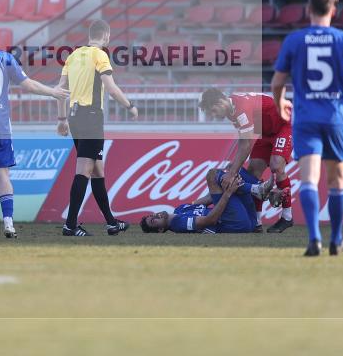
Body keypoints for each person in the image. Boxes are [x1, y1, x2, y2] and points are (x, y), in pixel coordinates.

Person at [271, 0, 343, 257]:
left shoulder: (294, 40)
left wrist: (279, 104)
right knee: (337, 181)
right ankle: (336, 239)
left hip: (306, 119)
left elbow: (278, 82)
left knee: (309, 180)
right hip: (335, 118)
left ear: (308, 9)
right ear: (333, 11)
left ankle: (314, 239)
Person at [0, 16, 69, 240]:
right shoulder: (5, 58)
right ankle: (8, 224)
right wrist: (52, 92)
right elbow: (28, 84)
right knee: (3, 175)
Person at [56, 19, 138, 237]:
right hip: (91, 117)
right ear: (107, 36)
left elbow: (60, 90)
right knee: (84, 169)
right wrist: (130, 105)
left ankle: (111, 222)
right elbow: (111, 88)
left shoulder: (72, 56)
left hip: (74, 118)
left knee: (96, 170)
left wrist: (62, 118)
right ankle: (70, 225)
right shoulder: (100, 55)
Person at [198, 89, 295, 233]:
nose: (213, 116)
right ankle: (256, 221)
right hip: (264, 131)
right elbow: (244, 140)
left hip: (284, 124)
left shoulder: (241, 107)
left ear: (220, 102)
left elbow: (246, 144)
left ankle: (287, 217)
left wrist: (232, 172)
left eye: (213, 111)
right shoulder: (232, 110)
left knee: (277, 166)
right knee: (252, 172)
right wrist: (233, 168)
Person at [139, 169, 278, 234]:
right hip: (235, 223)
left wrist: (223, 184)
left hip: (247, 220)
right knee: (212, 175)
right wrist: (227, 192)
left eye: (153, 215)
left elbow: (209, 198)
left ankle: (266, 193)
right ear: (161, 229)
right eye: (153, 221)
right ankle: (260, 191)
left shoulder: (180, 209)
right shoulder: (178, 224)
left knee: (234, 170)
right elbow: (210, 220)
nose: (156, 216)